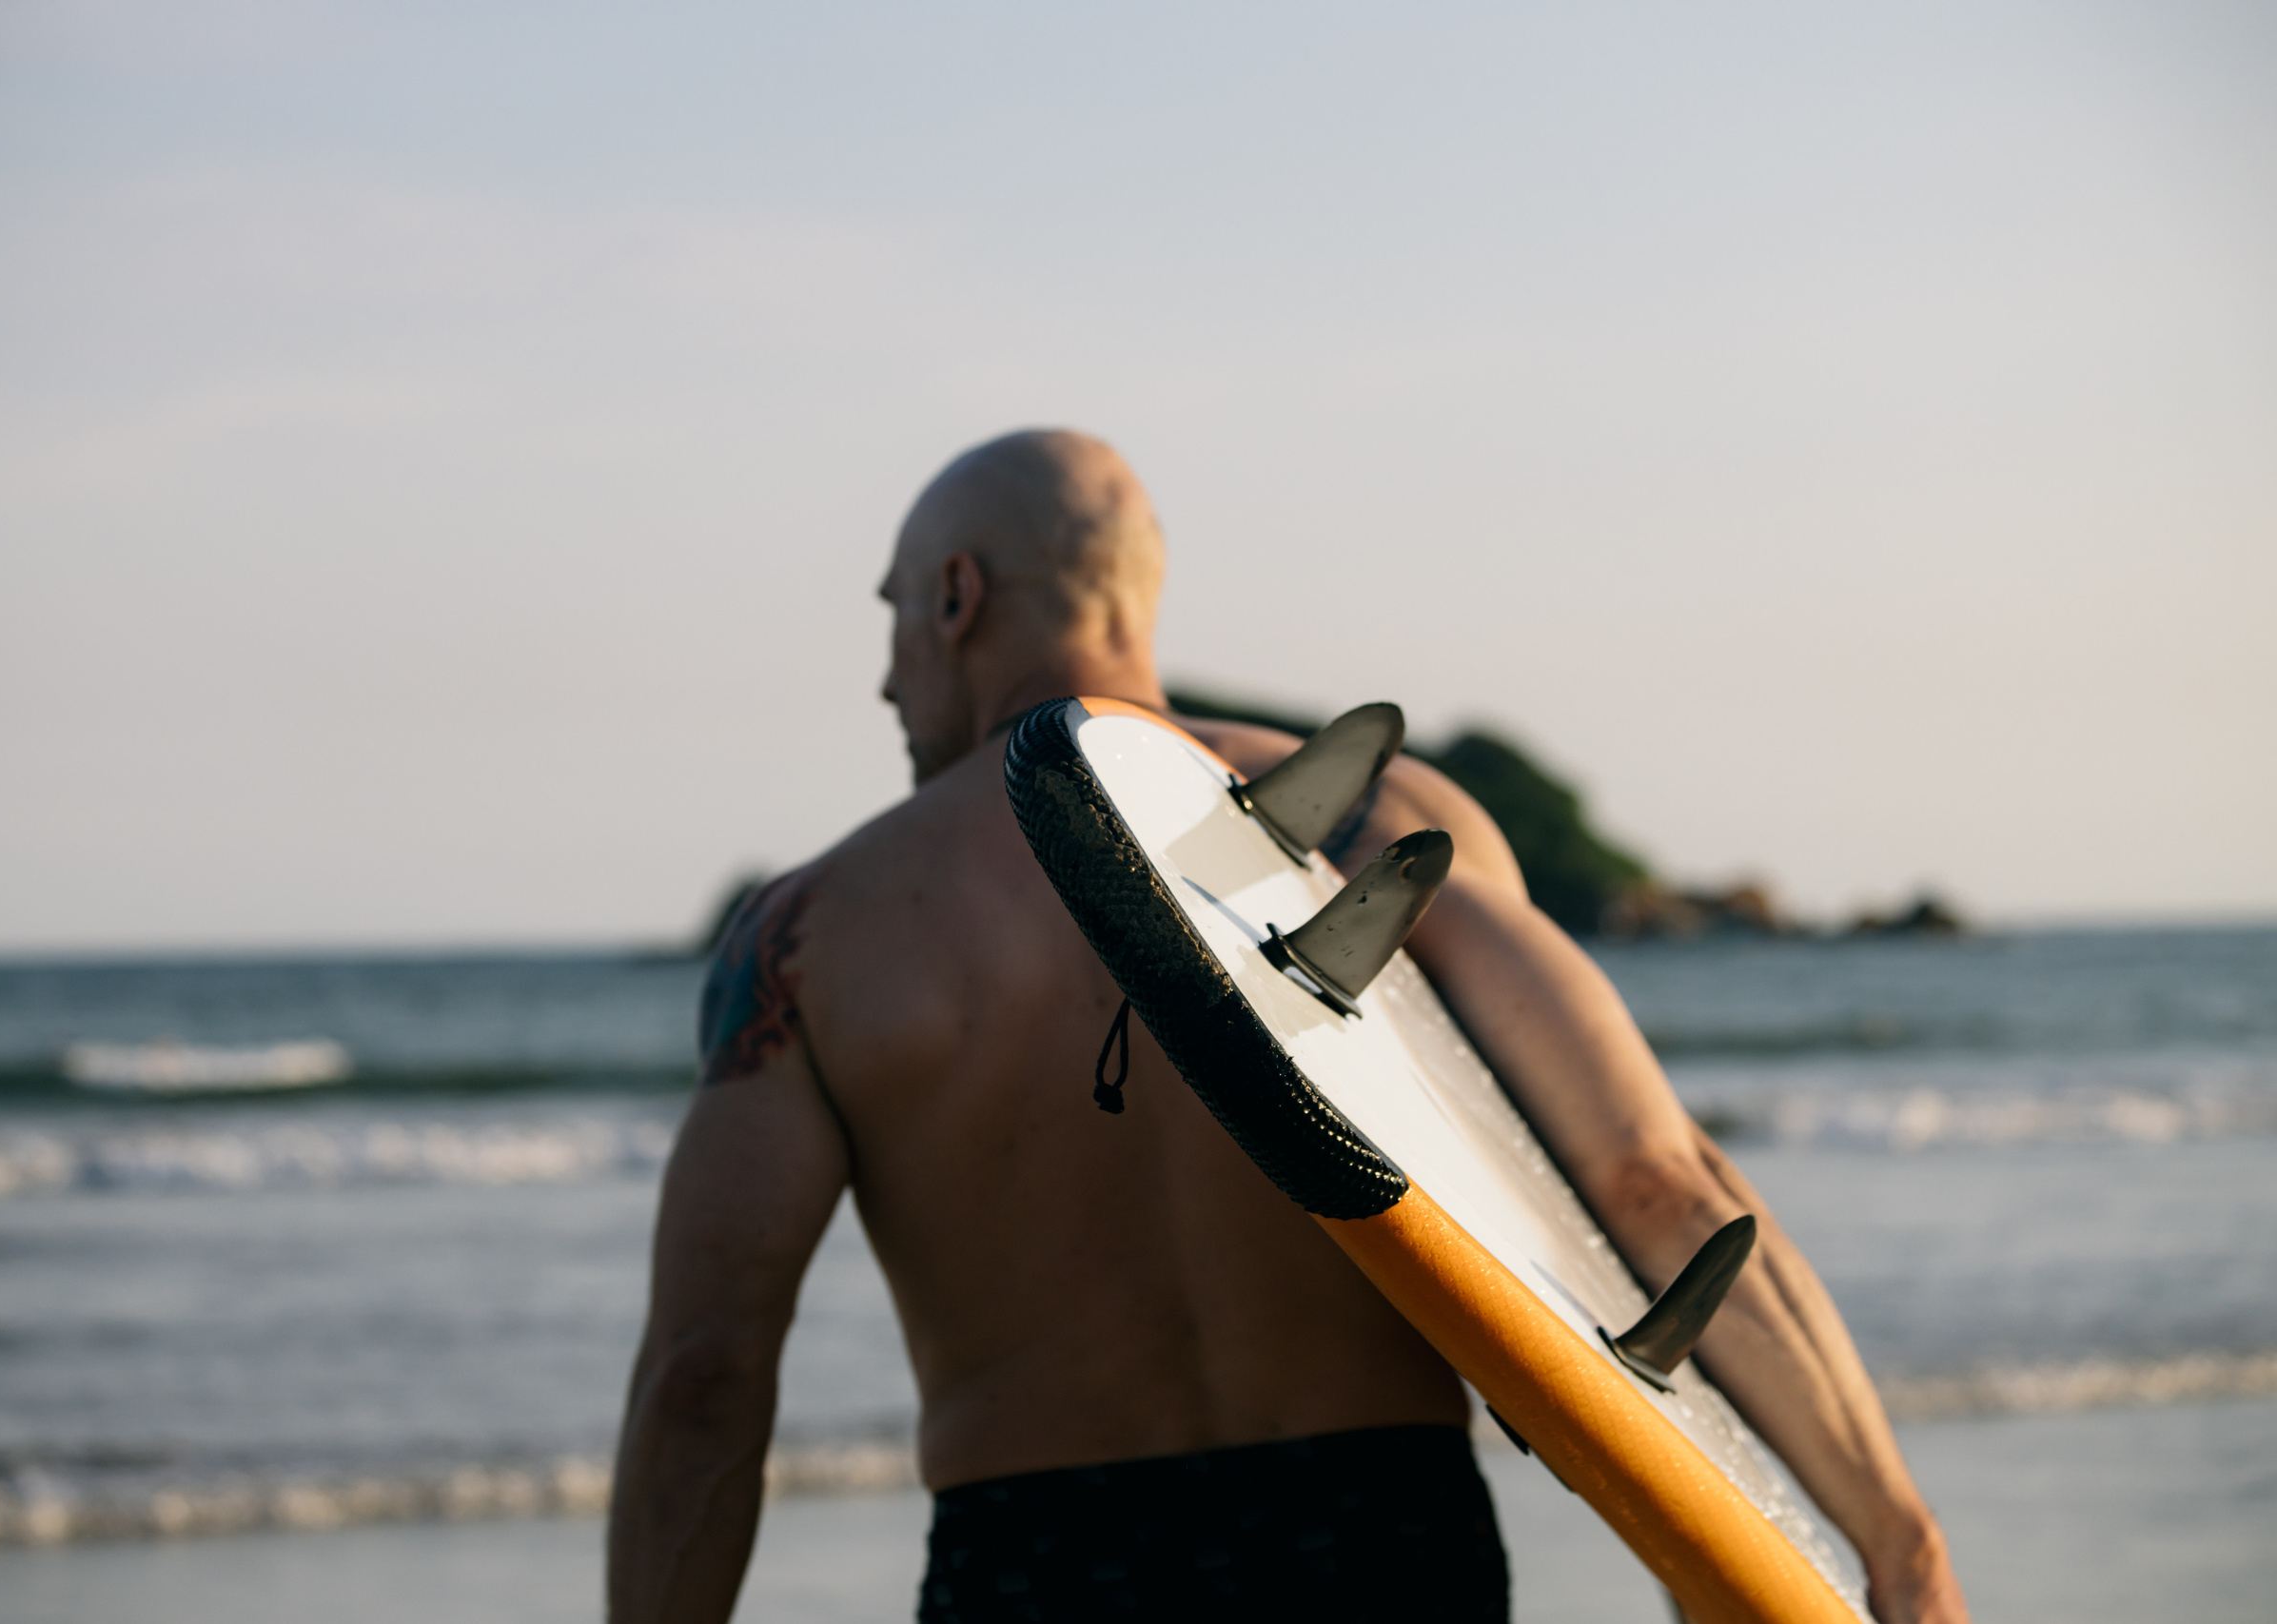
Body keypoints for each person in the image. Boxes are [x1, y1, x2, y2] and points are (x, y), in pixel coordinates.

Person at [607, 429, 1969, 1623]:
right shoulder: (1388, 827)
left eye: (895, 614)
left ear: (956, 598)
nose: (887, 679)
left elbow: (706, 1377)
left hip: (1038, 1564)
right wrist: (1893, 1541)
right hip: (1379, 1540)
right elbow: (1655, 1193)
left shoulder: (813, 935)